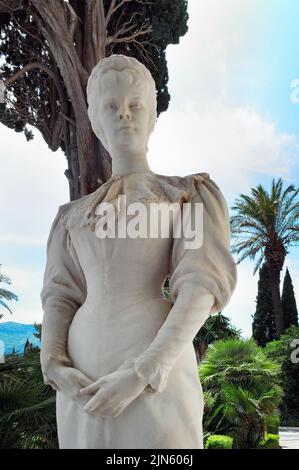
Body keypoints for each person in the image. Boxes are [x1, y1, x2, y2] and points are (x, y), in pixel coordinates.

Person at [40, 54, 237, 449]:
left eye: (135, 105)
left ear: (152, 117)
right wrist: (54, 365)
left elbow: (199, 284)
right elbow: (60, 296)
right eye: (111, 107)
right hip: (82, 378)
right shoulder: (71, 217)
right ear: (96, 123)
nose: (124, 116)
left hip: (154, 361)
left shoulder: (188, 196)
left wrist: (144, 372)